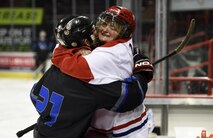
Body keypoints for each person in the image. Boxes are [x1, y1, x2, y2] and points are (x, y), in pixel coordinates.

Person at [30, 15, 151, 138]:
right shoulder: (88, 84)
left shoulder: (54, 70)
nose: (96, 34)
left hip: (41, 131)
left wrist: (54, 117)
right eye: (92, 33)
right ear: (85, 41)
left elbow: (34, 94)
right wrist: (142, 70)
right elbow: (132, 95)